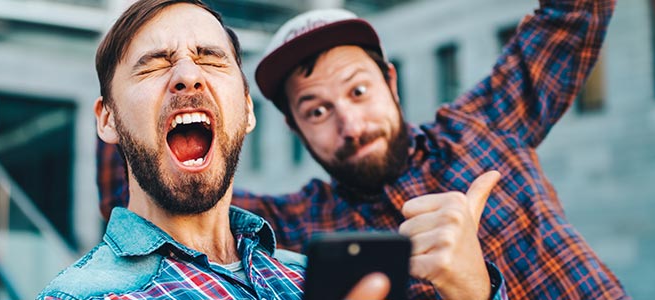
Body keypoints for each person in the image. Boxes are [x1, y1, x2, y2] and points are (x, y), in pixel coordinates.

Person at [97, 0, 627, 298]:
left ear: (391, 83)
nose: (349, 123)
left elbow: (573, 14)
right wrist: (131, 79)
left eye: (357, 90)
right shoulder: (300, 229)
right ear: (295, 129)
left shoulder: (485, 127)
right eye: (317, 111)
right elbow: (155, 192)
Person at [40, 1, 400, 299]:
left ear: (247, 110)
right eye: (154, 64)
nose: (187, 75)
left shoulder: (311, 282)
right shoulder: (84, 295)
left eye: (210, 59)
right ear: (107, 120)